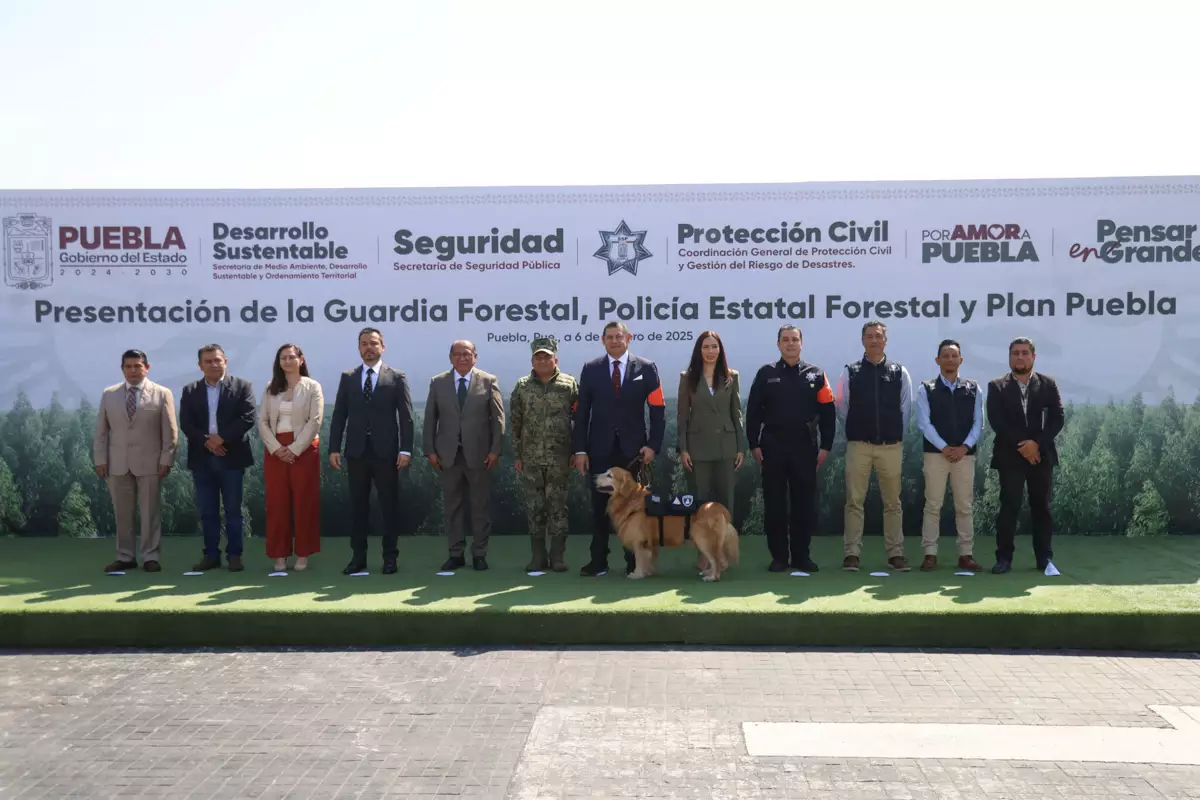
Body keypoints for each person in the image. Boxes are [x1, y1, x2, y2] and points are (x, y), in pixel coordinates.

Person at [571, 321, 666, 577]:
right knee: (600, 508)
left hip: (633, 453)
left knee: (633, 508)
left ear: (628, 338)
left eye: (619, 336)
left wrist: (653, 445)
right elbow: (581, 414)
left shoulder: (647, 368)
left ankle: (634, 561)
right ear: (603, 341)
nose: (614, 341)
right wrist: (580, 449)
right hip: (599, 451)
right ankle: (598, 561)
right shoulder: (591, 370)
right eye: (609, 337)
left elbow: (657, 409)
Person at [745, 325, 836, 572]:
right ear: (778, 344)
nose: (790, 344)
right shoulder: (766, 373)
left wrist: (826, 445)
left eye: (794, 339)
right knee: (774, 504)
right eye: (785, 340)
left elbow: (828, 413)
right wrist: (753, 443)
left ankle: (801, 557)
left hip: (805, 446)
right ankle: (779, 558)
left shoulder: (817, 374)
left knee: (803, 505)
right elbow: (753, 411)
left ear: (801, 343)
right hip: (773, 444)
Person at [328, 327, 414, 575]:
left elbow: (407, 417)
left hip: (386, 453)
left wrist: (406, 449)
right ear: (359, 348)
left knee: (389, 507)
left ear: (382, 347)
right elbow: (339, 415)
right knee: (358, 507)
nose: (369, 347)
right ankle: (358, 558)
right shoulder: (348, 377)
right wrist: (334, 447)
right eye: (364, 343)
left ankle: (390, 558)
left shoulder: (396, 377)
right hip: (355, 452)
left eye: (374, 343)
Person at [836, 320, 914, 572]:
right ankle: (851, 554)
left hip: (890, 447)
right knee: (854, 502)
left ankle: (896, 554)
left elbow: (906, 409)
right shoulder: (850, 371)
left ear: (885, 340)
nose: (874, 340)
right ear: (862, 340)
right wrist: (858, 431)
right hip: (859, 445)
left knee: (892, 502)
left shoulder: (899, 372)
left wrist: (892, 435)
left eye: (878, 336)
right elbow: (842, 408)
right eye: (869, 336)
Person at [92, 349, 178, 573]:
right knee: (122, 513)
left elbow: (170, 431)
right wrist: (100, 459)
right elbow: (101, 431)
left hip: (151, 463)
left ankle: (150, 556)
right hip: (117, 463)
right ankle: (125, 556)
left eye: (137, 366)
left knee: (150, 512)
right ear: (122, 369)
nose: (133, 370)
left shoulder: (162, 393)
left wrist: (167, 458)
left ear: (146, 368)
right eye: (128, 367)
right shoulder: (109, 394)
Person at [424, 340, 505, 572]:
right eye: (457, 354)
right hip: (447, 456)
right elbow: (430, 418)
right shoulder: (438, 383)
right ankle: (455, 554)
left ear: (475, 357)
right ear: (450, 358)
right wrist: (429, 450)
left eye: (467, 354)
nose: (462, 358)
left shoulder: (488, 381)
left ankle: (479, 554)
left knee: (480, 507)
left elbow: (499, 420)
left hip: (479, 455)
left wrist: (495, 451)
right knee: (452, 507)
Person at [986, 337, 1065, 574]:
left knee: (1042, 507)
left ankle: (1044, 559)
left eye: (1024, 353)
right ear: (1009, 357)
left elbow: (1057, 418)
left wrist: (1036, 444)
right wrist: (1023, 446)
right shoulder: (997, 386)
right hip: (1010, 456)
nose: (1019, 357)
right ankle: (1004, 559)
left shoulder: (1048, 384)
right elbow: (997, 421)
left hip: (1041, 457)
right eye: (1014, 353)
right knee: (1009, 507)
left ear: (1033, 357)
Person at [179, 344, 256, 572]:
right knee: (208, 511)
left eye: (217, 360)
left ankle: (235, 556)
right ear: (200, 365)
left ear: (225, 361)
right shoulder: (190, 390)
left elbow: (248, 417)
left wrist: (221, 439)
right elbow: (186, 423)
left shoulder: (242, 386)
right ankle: (211, 555)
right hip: (202, 458)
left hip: (232, 456)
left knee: (233, 510)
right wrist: (208, 441)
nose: (213, 364)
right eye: (208, 361)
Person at [914, 339, 984, 573]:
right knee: (933, 505)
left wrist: (964, 447)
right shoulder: (926, 388)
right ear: (938, 360)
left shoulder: (974, 388)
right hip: (936, 455)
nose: (950, 359)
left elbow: (978, 423)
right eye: (945, 355)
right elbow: (925, 423)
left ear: (961, 360)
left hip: (965, 455)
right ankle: (930, 554)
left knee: (964, 506)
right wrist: (945, 447)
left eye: (954, 356)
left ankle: (965, 555)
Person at [509, 337, 578, 572]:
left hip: (560, 458)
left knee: (558, 507)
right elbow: (515, 421)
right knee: (535, 507)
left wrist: (576, 451)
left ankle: (557, 557)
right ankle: (538, 557)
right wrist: (518, 454)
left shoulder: (569, 384)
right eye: (538, 356)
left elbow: (579, 419)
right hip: (530, 459)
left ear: (555, 359)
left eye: (547, 356)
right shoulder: (522, 385)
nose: (542, 360)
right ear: (532, 360)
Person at [258, 344, 324, 573]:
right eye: (282, 358)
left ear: (301, 360)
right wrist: (277, 449)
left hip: (304, 451)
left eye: (291, 357)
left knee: (304, 504)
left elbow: (314, 421)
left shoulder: (312, 387)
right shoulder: (270, 388)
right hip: (275, 451)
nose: (287, 361)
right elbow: (263, 422)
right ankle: (279, 556)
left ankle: (303, 554)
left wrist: (294, 449)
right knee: (277, 505)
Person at [677, 331, 745, 515]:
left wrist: (740, 448)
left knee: (725, 503)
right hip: (697, 449)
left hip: (727, 447)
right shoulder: (687, 378)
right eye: (706, 347)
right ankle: (702, 542)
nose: (710, 351)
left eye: (714, 346)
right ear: (699, 351)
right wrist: (683, 449)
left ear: (720, 350)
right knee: (699, 502)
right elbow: (682, 416)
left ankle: (726, 542)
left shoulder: (732, 376)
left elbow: (736, 413)